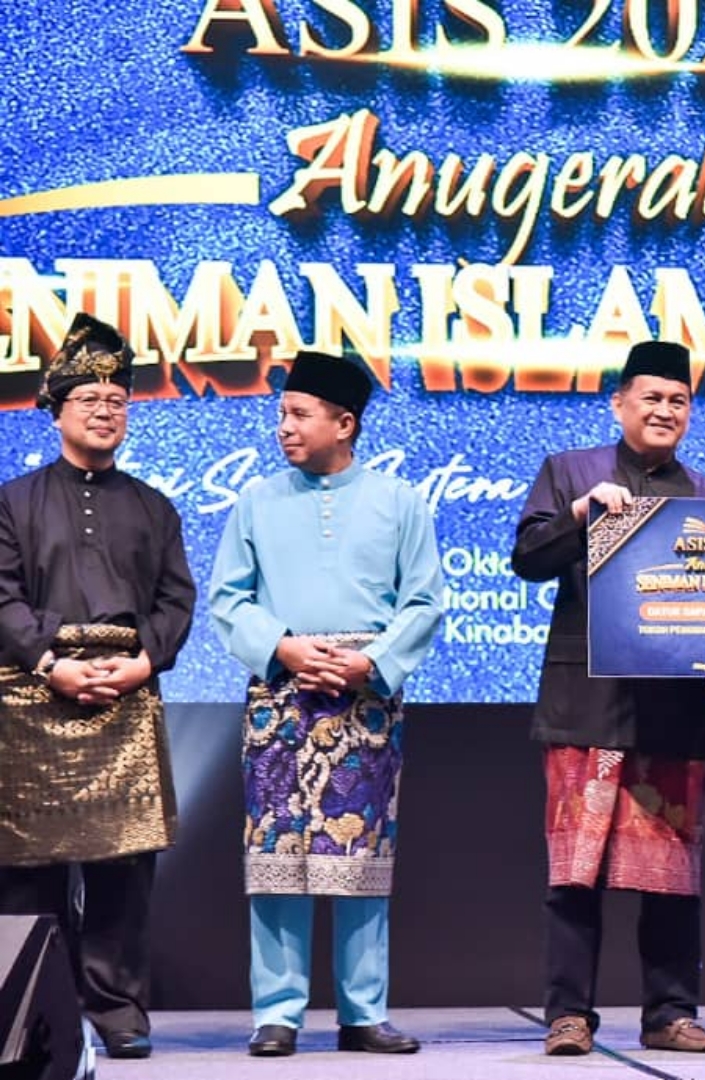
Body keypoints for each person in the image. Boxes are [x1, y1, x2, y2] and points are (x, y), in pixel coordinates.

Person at [511, 341, 705, 1057]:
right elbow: (527, 560)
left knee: (671, 877)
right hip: (586, 702)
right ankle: (568, 1015)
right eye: (651, 397)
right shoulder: (570, 473)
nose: (664, 410)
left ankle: (670, 1015)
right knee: (573, 875)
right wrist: (581, 514)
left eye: (678, 400)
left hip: (674, 712)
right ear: (619, 403)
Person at [209, 351, 443, 1058]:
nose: (284, 426)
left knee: (360, 855)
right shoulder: (256, 501)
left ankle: (363, 1012)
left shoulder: (400, 502)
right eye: (282, 413)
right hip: (281, 694)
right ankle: (276, 1013)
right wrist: (282, 647)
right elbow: (228, 598)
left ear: (344, 424)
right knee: (276, 855)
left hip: (364, 698)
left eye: (299, 414)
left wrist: (371, 662)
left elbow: (424, 601)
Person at [0, 313, 194, 1060]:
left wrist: (145, 661)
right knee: (28, 872)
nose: (105, 411)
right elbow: (3, 599)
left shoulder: (154, 506)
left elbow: (176, 601)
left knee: (123, 868)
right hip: (33, 696)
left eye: (117, 401)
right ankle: (29, 1010)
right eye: (89, 400)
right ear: (56, 411)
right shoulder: (13, 501)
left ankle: (118, 1011)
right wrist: (51, 663)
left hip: (126, 695)